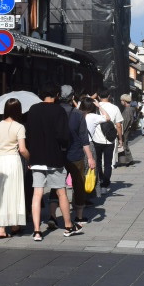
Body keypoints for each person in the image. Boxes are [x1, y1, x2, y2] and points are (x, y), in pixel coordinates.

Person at [25, 81, 79, 240]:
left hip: (36, 157)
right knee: (61, 192)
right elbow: (63, 136)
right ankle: (68, 226)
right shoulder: (59, 110)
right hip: (54, 157)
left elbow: (29, 133)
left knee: (37, 193)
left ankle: (36, 231)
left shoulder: (33, 110)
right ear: (56, 95)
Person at [58, 85, 95, 225]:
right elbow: (84, 138)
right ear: (72, 97)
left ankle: (53, 216)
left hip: (57, 154)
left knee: (56, 184)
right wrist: (90, 157)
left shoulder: (54, 111)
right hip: (76, 154)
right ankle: (79, 216)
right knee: (78, 184)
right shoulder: (78, 114)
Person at [0, 98, 29, 239]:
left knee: (1, 194)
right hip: (13, 161)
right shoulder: (19, 127)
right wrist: (30, 159)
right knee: (14, 192)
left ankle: (1, 228)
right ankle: (15, 224)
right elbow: (23, 149)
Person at [119, 94, 136, 166]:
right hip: (127, 128)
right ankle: (127, 160)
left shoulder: (127, 110)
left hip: (125, 129)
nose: (121, 102)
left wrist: (121, 130)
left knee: (124, 144)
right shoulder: (130, 109)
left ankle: (128, 160)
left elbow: (126, 121)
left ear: (124, 101)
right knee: (125, 144)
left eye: (121, 100)